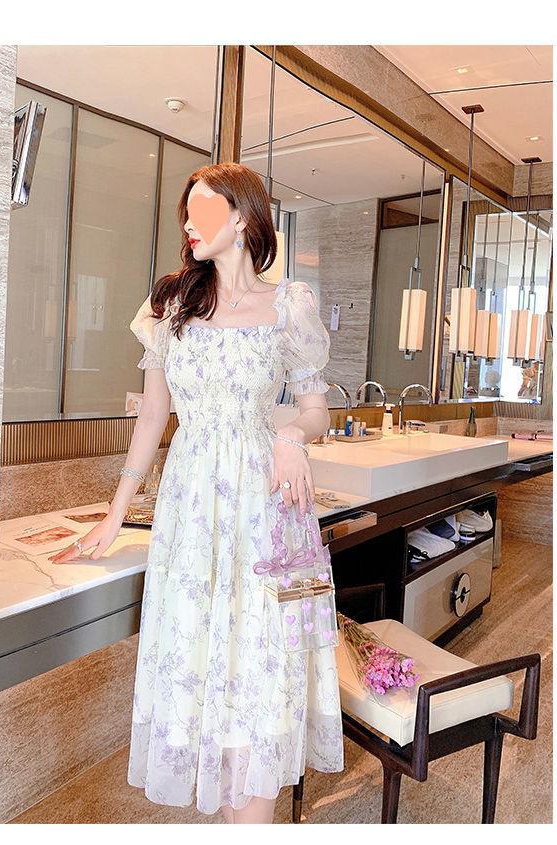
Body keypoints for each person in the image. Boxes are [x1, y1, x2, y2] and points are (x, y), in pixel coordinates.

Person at [49, 162, 343, 822]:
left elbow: (315, 411)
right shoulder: (168, 306)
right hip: (192, 512)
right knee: (207, 673)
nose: (188, 223)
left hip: (269, 511)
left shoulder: (289, 305)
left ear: (241, 217)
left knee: (261, 678)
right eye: (186, 211)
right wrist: (115, 514)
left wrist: (291, 436)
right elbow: (154, 415)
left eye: (203, 211)